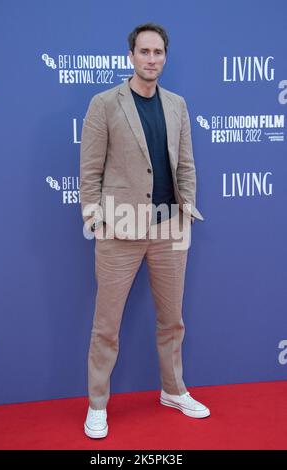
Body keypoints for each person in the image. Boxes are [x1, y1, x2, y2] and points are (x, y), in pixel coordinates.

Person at [80, 23, 210, 439]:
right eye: (144, 51)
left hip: (171, 226)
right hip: (118, 228)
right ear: (131, 56)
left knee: (172, 321)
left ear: (164, 57)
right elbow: (90, 169)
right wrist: (92, 214)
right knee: (107, 326)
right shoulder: (104, 103)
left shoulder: (177, 105)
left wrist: (187, 205)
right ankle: (97, 404)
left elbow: (185, 163)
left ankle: (173, 390)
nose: (151, 59)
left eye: (158, 52)